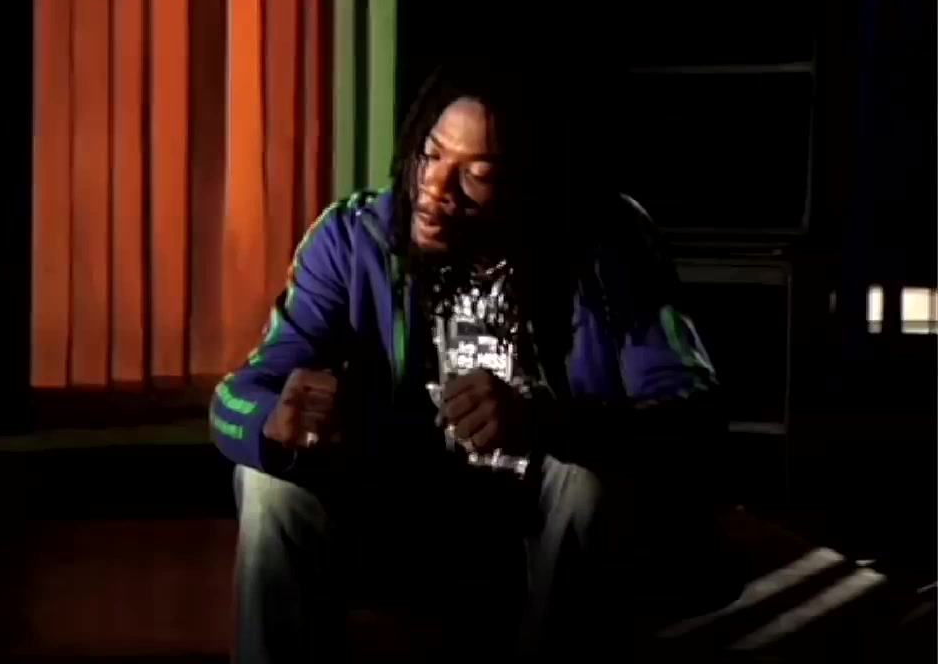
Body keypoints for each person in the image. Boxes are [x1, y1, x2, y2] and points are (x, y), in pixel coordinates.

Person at [209, 60, 731, 662]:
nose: (435, 189)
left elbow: (694, 415)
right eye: (429, 156)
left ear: (529, 182)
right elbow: (236, 398)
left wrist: (546, 422)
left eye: (476, 175)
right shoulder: (353, 240)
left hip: (546, 530)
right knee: (268, 481)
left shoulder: (607, 242)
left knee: (586, 482)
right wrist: (276, 421)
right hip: (396, 520)